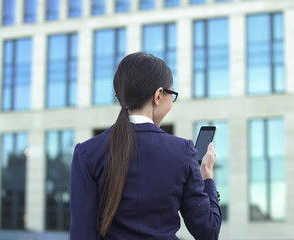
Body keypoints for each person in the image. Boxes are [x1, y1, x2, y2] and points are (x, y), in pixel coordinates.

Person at [70, 52, 222, 240]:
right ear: (158, 95)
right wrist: (206, 176)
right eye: (171, 94)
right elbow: (208, 232)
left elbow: (81, 235)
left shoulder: (87, 153)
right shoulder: (183, 151)